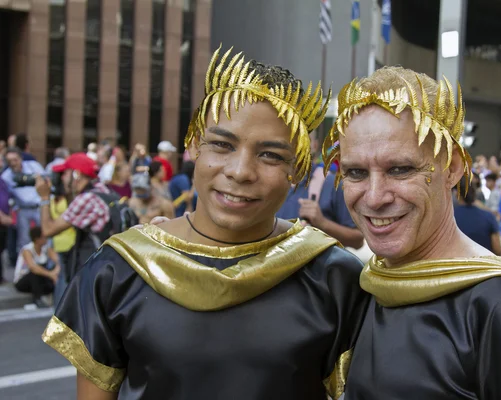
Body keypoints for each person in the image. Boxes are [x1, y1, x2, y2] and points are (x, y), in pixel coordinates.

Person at [42, 46, 367, 399]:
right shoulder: (117, 270)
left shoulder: (334, 278)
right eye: (222, 145)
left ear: (297, 170)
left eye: (270, 155)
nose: (240, 172)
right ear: (195, 147)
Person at [320, 67, 501, 398]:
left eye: (400, 169)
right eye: (355, 172)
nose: (375, 196)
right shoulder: (365, 289)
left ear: (452, 168)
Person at [35, 153, 113, 283]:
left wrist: (44, 197)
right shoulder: (102, 191)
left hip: (94, 271)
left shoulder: (86, 199)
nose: (61, 178)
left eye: (64, 173)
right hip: (107, 266)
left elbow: (48, 230)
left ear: (76, 175)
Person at [276, 136, 364, 249]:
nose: (297, 146)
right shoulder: (269, 184)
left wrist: (322, 223)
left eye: (303, 139)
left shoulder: (332, 184)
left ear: (315, 145)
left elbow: (358, 241)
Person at [1, 147, 44, 253]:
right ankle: (25, 266)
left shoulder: (33, 166)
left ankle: (46, 262)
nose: (13, 163)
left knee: (44, 236)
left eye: (15, 160)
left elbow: (46, 182)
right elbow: (8, 196)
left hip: (40, 207)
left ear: (21, 158)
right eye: (9, 161)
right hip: (23, 210)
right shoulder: (6, 176)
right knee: (24, 240)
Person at [14, 226, 61, 308]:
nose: (46, 239)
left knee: (51, 270)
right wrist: (50, 274)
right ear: (37, 239)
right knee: (35, 273)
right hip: (24, 280)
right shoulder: (27, 250)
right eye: (43, 237)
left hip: (42, 277)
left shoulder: (46, 248)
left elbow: (58, 260)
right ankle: (37, 299)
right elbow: (32, 267)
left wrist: (56, 269)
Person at [454, 177, 501, 255]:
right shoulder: (488, 217)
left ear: (457, 194)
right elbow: (498, 250)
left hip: (457, 264)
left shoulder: (450, 218)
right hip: (484, 264)